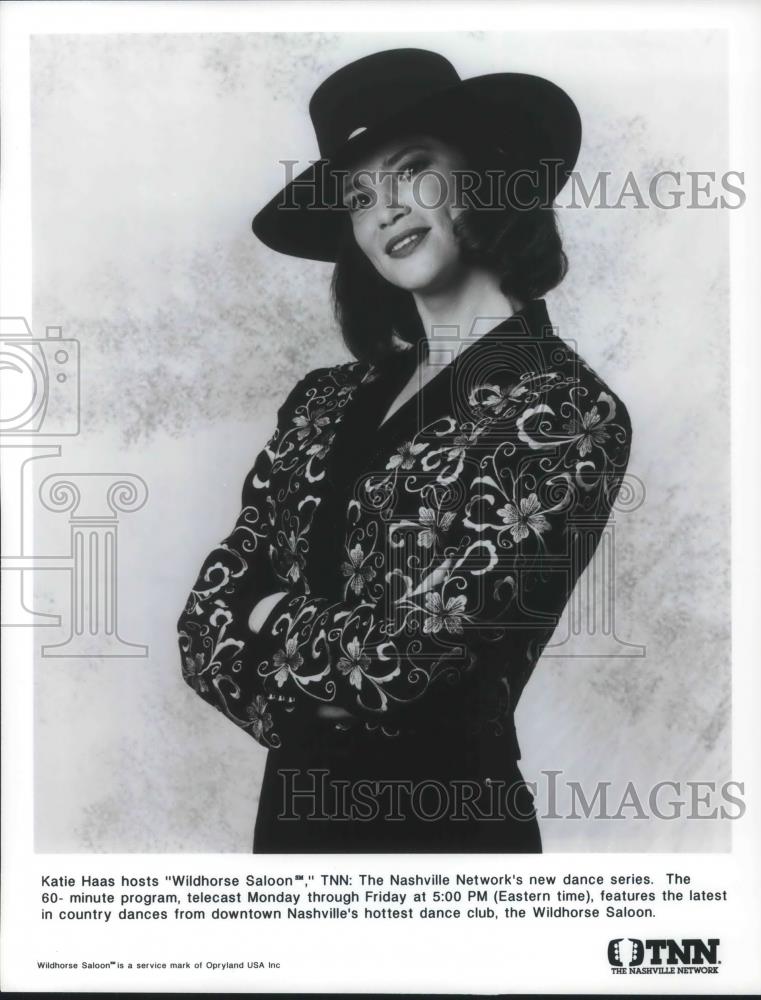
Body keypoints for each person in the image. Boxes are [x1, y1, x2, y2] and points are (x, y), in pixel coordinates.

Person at [177, 48, 633, 852]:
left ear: (486, 176)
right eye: (358, 196)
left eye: (412, 169)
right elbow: (202, 628)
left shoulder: (566, 408)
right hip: (293, 818)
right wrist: (313, 696)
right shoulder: (321, 400)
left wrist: (271, 612)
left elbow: (405, 665)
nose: (384, 208)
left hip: (448, 826)